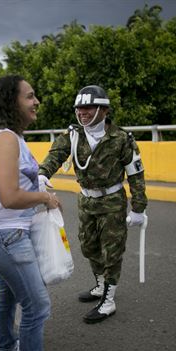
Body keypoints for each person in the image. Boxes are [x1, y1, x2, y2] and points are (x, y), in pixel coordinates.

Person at [0, 75, 64, 351]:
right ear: (11, 102)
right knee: (37, 304)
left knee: (9, 296)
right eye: (29, 96)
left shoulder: (11, 138)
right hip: (5, 232)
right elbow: (10, 196)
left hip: (5, 230)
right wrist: (44, 198)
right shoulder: (5, 140)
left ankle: (4, 343)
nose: (36, 101)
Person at [38, 85, 148, 324]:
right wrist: (42, 173)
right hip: (86, 200)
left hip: (112, 201)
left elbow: (136, 174)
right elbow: (56, 155)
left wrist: (139, 207)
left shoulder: (121, 138)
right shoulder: (74, 135)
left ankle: (108, 300)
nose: (82, 112)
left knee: (112, 251)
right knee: (88, 247)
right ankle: (100, 285)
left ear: (104, 110)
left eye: (88, 107)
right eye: (79, 108)